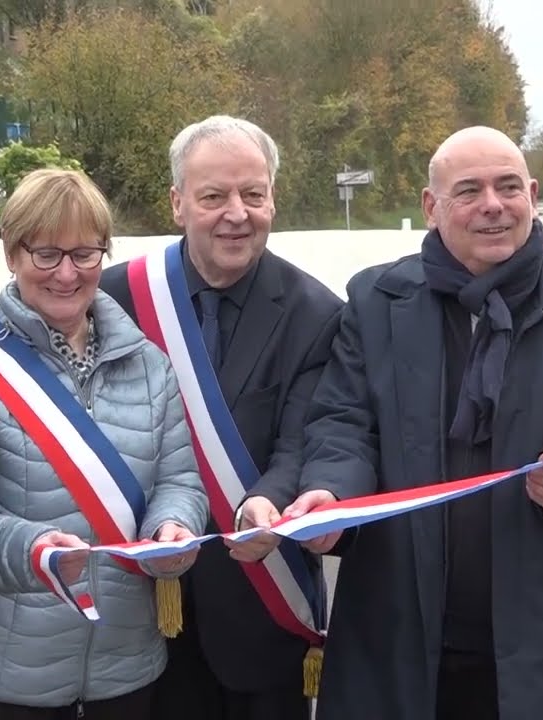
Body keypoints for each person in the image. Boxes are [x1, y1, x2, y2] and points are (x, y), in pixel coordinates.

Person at [286, 125, 543, 719]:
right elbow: (343, 421)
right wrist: (331, 492)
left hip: (533, 641)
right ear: (431, 206)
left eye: (508, 186)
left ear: (534, 195)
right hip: (394, 627)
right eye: (469, 190)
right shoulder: (375, 302)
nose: (493, 205)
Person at [0, 168, 209, 719]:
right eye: (46, 254)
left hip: (122, 667)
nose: (67, 273)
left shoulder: (150, 365)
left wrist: (173, 526)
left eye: (86, 253)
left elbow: (178, 479)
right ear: (11, 253)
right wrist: (30, 551)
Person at [100, 115, 343, 720]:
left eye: (253, 194)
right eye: (214, 196)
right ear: (178, 203)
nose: (237, 212)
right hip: (136, 608)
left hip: (260, 602)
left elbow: (301, 440)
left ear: (272, 199)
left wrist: (266, 498)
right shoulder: (114, 299)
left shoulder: (316, 312)